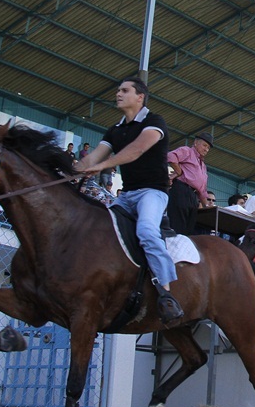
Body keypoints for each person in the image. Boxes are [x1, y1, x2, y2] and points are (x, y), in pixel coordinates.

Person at [73, 75, 183, 325]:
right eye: (118, 91)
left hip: (152, 193)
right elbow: (92, 158)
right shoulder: (115, 129)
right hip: (126, 196)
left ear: (140, 97)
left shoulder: (155, 122)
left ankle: (166, 293)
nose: (118, 94)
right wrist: (71, 170)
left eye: (124, 90)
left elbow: (136, 150)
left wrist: (103, 165)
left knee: (146, 231)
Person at [166, 131, 213, 235]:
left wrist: (207, 207)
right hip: (181, 190)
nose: (206, 149)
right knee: (177, 226)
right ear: (196, 143)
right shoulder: (187, 151)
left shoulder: (203, 165)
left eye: (208, 148)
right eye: (204, 145)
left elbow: (202, 190)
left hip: (193, 197)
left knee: (188, 229)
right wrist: (179, 171)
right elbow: (170, 156)